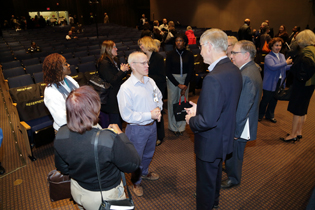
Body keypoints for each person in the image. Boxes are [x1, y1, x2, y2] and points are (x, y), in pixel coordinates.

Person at [54, 86, 140, 210]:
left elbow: (63, 168)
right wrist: (121, 134)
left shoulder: (60, 134)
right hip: (103, 197)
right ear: (95, 109)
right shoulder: (107, 139)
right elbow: (133, 164)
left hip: (77, 190)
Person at [185, 28, 242, 209]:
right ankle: (214, 204)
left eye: (200, 46)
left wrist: (190, 120)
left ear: (209, 46)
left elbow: (206, 122)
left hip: (210, 141)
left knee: (205, 185)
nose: (199, 51)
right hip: (223, 137)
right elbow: (224, 105)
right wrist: (200, 107)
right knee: (215, 177)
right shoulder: (233, 69)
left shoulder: (213, 78)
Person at [117, 51, 163, 197]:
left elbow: (158, 97)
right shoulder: (126, 88)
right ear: (132, 66)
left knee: (149, 153)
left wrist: (158, 108)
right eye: (143, 63)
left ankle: (144, 172)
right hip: (136, 129)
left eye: (147, 62)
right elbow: (127, 115)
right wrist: (150, 114)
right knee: (136, 157)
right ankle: (135, 182)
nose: (147, 65)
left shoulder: (150, 81)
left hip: (152, 126)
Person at [221, 40, 263, 189]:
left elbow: (244, 106)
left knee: (236, 152)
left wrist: (236, 130)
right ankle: (231, 170)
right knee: (234, 151)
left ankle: (234, 178)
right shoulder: (252, 68)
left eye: (234, 52)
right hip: (243, 119)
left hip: (242, 123)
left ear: (246, 55)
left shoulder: (247, 74)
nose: (231, 55)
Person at [282, 30, 315, 142]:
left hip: (302, 84)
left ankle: (293, 134)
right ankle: (299, 132)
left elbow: (307, 66)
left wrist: (298, 73)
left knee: (297, 110)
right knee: (303, 109)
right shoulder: (313, 49)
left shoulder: (306, 52)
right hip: (310, 84)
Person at [138, 36, 166, 146]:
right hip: (146, 89)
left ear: (148, 44)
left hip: (156, 89)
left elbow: (162, 77)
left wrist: (148, 76)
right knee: (148, 111)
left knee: (157, 111)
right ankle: (150, 136)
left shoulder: (158, 58)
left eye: (142, 44)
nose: (140, 46)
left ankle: (160, 136)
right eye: (139, 44)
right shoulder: (143, 57)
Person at [166, 33, 194, 136]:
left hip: (185, 80)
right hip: (173, 81)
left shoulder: (189, 54)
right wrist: (178, 84)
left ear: (185, 42)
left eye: (180, 40)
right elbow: (167, 72)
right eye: (177, 40)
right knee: (172, 103)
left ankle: (181, 127)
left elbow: (191, 70)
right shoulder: (170, 54)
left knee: (183, 103)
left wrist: (185, 85)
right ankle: (173, 126)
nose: (178, 42)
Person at [258, 37, 292, 122]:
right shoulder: (268, 57)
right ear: (272, 46)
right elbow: (273, 67)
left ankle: (270, 115)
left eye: (280, 45)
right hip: (270, 82)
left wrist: (292, 66)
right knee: (265, 100)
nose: (278, 47)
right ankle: (260, 115)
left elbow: (283, 67)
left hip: (279, 82)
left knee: (274, 100)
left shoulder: (282, 55)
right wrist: (285, 63)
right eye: (276, 45)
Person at [43, 53, 80, 132]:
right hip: (66, 129)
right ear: (58, 69)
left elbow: (81, 97)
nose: (69, 65)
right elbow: (62, 119)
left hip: (79, 122)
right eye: (65, 64)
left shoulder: (69, 79)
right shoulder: (50, 91)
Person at [97, 40, 129, 129]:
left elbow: (118, 77)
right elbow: (112, 80)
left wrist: (124, 71)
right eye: (114, 47)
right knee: (115, 121)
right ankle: (117, 140)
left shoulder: (114, 60)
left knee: (119, 118)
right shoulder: (104, 63)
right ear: (108, 49)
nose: (116, 49)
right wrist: (122, 71)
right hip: (110, 96)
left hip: (117, 93)